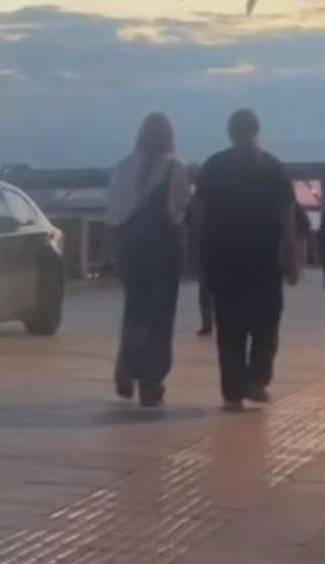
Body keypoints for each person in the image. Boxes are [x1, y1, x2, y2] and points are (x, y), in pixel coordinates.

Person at [195, 109, 300, 411]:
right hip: (263, 259)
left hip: (223, 259)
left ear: (230, 133)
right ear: (257, 130)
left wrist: (198, 255)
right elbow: (287, 220)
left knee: (229, 326)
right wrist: (292, 257)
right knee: (266, 322)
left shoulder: (214, 166)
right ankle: (257, 378)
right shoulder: (274, 168)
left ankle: (232, 390)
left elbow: (200, 215)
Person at [106, 113, 192, 408]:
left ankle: (126, 366)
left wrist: (115, 252)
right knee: (160, 318)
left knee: (134, 311)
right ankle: (151, 381)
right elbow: (178, 214)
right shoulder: (175, 168)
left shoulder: (122, 167)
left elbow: (113, 214)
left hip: (131, 252)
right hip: (162, 253)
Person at [187, 192, 214, 336]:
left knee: (206, 292)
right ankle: (208, 323)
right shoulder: (199, 209)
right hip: (207, 255)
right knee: (206, 292)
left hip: (208, 254)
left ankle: (208, 323)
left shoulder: (197, 211)